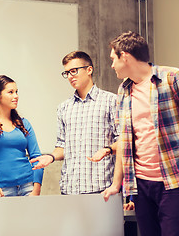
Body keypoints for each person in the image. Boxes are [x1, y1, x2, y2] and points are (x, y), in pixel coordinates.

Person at [103, 31, 179, 236]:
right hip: (140, 184)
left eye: (113, 59)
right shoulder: (124, 89)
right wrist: (116, 184)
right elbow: (123, 140)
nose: (112, 66)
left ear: (125, 56)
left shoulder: (171, 78)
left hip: (172, 182)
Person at [30, 51, 118, 195]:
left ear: (89, 70)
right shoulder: (64, 108)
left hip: (102, 188)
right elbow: (62, 145)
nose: (70, 76)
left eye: (74, 71)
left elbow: (122, 141)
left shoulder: (110, 101)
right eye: (67, 73)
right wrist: (51, 157)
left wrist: (106, 150)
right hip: (69, 188)